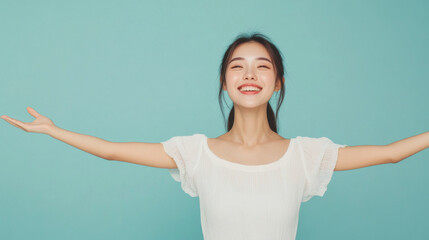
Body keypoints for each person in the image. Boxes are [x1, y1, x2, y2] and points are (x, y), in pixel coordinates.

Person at [1, 33, 428, 240]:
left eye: (262, 66)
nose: (249, 74)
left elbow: (391, 154)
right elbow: (113, 152)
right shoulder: (195, 153)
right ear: (225, 82)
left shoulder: (305, 156)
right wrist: (54, 132)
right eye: (237, 66)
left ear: (277, 83)